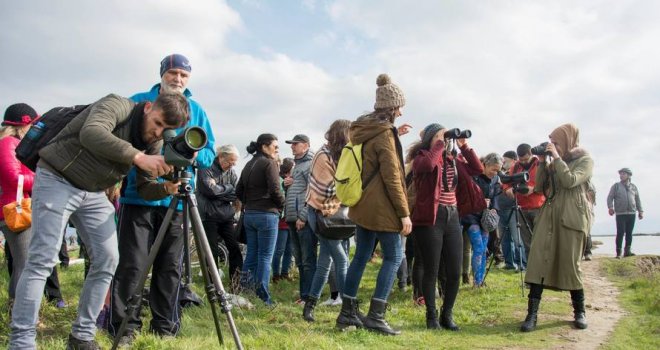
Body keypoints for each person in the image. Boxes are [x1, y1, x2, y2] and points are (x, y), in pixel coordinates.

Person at [9, 93, 189, 350]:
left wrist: (167, 189)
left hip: (92, 193)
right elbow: (91, 133)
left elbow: (146, 188)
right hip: (57, 178)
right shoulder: (117, 105)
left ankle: (82, 336)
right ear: (148, 107)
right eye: (157, 123)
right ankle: (22, 341)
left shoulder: (154, 143)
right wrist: (138, 157)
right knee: (43, 259)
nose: (157, 133)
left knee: (108, 259)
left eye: (166, 130)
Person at [109, 54, 216, 343]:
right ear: (162, 74)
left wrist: (191, 153)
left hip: (178, 197)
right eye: (173, 73)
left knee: (170, 266)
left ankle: (165, 326)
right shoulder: (139, 100)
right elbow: (120, 141)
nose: (178, 80)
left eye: (184, 75)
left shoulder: (197, 110)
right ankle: (124, 327)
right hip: (138, 197)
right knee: (132, 264)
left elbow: (209, 155)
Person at [335, 74, 412, 336]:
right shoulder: (384, 134)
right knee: (394, 256)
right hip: (381, 208)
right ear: (391, 107)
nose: (401, 111)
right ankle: (376, 317)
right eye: (399, 107)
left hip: (362, 205)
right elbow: (393, 177)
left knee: (360, 257)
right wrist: (404, 214)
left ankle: (347, 313)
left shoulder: (364, 129)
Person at [520, 123, 593, 332]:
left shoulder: (585, 160)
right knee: (537, 261)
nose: (553, 145)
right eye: (551, 142)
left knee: (570, 264)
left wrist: (558, 159)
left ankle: (580, 312)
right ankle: (531, 314)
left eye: (556, 142)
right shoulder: (553, 163)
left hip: (571, 217)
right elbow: (541, 187)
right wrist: (542, 162)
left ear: (567, 140)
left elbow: (570, 181)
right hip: (549, 215)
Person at [0, 103, 66, 310]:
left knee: (26, 261)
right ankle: (19, 311)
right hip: (16, 209)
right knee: (25, 262)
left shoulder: (13, 143)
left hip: (21, 207)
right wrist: (43, 176)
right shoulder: (8, 143)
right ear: (23, 124)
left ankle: (21, 310)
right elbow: (13, 178)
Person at [410, 123, 465, 330]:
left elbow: (476, 169)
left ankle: (447, 314)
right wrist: (440, 143)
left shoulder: (451, 158)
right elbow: (428, 166)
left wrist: (464, 147)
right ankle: (431, 316)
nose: (443, 140)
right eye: (439, 136)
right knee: (431, 269)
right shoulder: (421, 157)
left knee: (454, 270)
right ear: (432, 138)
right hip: (430, 218)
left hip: (452, 215)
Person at [302, 119, 351, 322]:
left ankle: (309, 307)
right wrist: (350, 184)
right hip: (321, 215)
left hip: (333, 215)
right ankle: (349, 308)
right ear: (342, 136)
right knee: (341, 259)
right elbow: (326, 189)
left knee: (325, 263)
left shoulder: (339, 155)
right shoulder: (323, 156)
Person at [236, 133, 285, 305]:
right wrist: (282, 205)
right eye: (275, 146)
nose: (277, 150)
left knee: (251, 254)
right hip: (266, 215)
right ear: (264, 147)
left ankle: (245, 290)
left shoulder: (249, 164)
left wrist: (249, 202)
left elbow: (238, 190)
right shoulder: (269, 163)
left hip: (250, 214)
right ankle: (263, 296)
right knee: (265, 256)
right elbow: (275, 189)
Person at [197, 144, 243, 280]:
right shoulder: (206, 167)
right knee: (211, 252)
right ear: (221, 156)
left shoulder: (232, 173)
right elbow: (209, 191)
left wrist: (221, 189)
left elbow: (236, 194)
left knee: (235, 248)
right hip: (209, 216)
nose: (232, 165)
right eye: (230, 161)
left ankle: (236, 283)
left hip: (227, 216)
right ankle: (213, 284)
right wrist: (228, 189)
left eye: (234, 163)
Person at [284, 133, 317, 304]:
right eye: (292, 144)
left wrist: (303, 216)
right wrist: (287, 183)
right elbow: (298, 189)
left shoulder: (311, 164)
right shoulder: (297, 166)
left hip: (302, 219)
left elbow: (313, 192)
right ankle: (304, 295)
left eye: (295, 144)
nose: (292, 146)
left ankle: (310, 296)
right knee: (299, 260)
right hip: (292, 218)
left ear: (305, 145)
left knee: (307, 259)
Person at [502, 144, 546, 260]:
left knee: (540, 239)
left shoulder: (540, 164)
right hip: (521, 209)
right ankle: (530, 269)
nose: (523, 162)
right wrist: (507, 189)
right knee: (526, 242)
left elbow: (548, 183)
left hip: (538, 208)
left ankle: (542, 268)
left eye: (526, 159)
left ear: (531, 154)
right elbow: (506, 181)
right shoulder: (516, 167)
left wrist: (534, 189)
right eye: (521, 159)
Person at [497, 150, 525, 270]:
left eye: (506, 161)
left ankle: (521, 264)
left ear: (514, 160)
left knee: (517, 238)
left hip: (513, 209)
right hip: (500, 210)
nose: (503, 163)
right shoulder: (502, 175)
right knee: (504, 239)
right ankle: (509, 263)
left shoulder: (518, 174)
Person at [607, 168, 643, 258]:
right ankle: (618, 253)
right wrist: (610, 207)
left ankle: (627, 252)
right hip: (620, 214)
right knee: (620, 232)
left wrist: (640, 211)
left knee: (629, 233)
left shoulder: (633, 187)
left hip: (632, 214)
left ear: (629, 175)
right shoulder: (616, 186)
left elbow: (637, 200)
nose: (621, 175)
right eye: (621, 174)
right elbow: (610, 197)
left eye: (623, 174)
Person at [272, 157, 295, 282]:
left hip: (290, 220)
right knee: (279, 249)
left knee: (289, 250)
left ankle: (285, 273)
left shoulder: (293, 181)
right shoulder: (280, 181)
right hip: (282, 221)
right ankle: (276, 274)